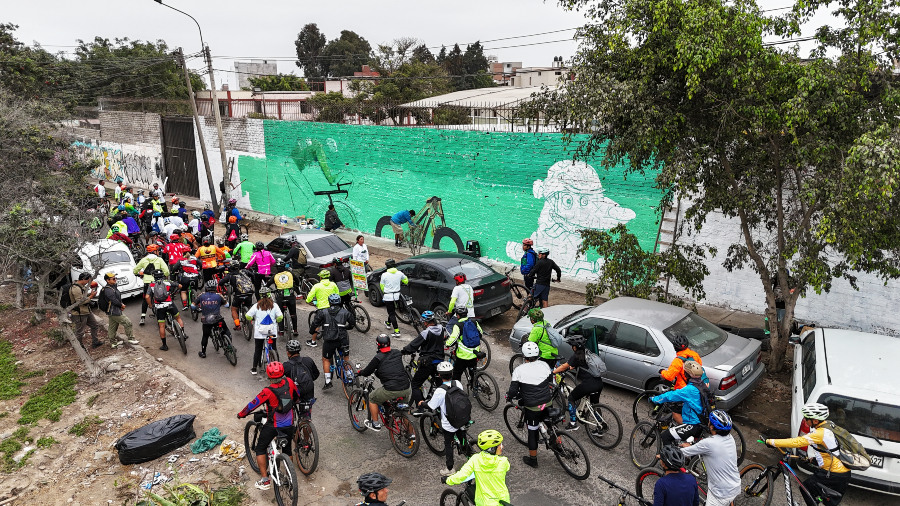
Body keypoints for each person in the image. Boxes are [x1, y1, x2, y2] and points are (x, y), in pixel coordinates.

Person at [765, 403, 851, 505]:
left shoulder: (819, 433)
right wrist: (813, 460)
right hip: (844, 473)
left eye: (806, 418)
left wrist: (771, 442)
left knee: (805, 488)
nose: (805, 421)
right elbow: (830, 450)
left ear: (815, 421)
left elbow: (795, 442)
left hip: (832, 473)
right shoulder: (829, 425)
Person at [237, 362, 300, 491]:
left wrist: (241, 414)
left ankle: (265, 480)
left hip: (273, 426)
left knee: (260, 448)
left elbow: (252, 405)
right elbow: (297, 396)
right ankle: (290, 476)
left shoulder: (268, 391)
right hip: (289, 425)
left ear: (268, 376)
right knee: (287, 450)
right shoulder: (289, 382)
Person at [506, 341, 552, 468]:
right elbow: (549, 381)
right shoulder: (545, 365)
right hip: (547, 402)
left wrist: (509, 396)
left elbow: (513, 391)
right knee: (552, 425)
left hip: (532, 407)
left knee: (532, 433)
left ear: (524, 355)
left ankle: (533, 460)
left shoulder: (519, 370)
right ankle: (557, 442)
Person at [681, 410, 740, 506]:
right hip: (735, 486)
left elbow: (684, 452)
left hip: (720, 495)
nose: (708, 423)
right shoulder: (730, 438)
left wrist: (664, 454)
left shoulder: (709, 443)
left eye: (709, 421)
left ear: (712, 427)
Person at [552, 334, 606, 432]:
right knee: (595, 405)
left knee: (571, 398)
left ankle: (573, 423)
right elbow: (577, 366)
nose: (572, 348)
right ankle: (601, 425)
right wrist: (569, 367)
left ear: (575, 346)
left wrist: (553, 372)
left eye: (572, 346)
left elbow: (564, 366)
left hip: (588, 385)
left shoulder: (576, 356)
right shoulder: (588, 352)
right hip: (598, 383)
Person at [357, 334, 411, 431]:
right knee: (404, 412)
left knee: (372, 397)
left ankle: (375, 423)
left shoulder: (378, 357)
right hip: (406, 388)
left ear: (378, 344)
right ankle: (411, 434)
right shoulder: (397, 353)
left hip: (392, 389)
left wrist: (359, 372)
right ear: (389, 343)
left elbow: (367, 372)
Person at [443, 430, 511, 506]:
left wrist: (448, 480)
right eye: (500, 445)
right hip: (502, 501)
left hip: (484, 502)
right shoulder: (504, 462)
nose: (502, 446)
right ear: (492, 449)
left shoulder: (476, 459)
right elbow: (505, 468)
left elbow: (462, 475)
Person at [421, 361, 464, 475]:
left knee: (448, 444)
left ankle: (450, 469)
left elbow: (431, 406)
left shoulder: (440, 391)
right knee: (462, 435)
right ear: (452, 373)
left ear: (439, 375)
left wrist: (422, 403)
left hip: (449, 423)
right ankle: (465, 449)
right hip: (462, 417)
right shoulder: (458, 383)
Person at [651, 360, 706, 445]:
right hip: (702, 422)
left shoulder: (690, 389)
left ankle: (669, 458)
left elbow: (671, 395)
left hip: (693, 424)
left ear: (687, 374)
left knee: (665, 436)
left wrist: (655, 399)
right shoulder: (702, 385)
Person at [405, 311, 448, 413]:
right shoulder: (441, 328)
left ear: (425, 322)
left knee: (415, 384)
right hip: (440, 363)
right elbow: (446, 337)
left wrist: (403, 351)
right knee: (440, 386)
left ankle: (420, 408)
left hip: (428, 363)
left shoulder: (426, 332)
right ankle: (442, 407)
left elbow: (414, 345)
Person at [310, 293, 354, 390]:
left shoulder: (322, 312)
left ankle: (328, 381)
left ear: (329, 302)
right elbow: (352, 323)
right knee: (346, 357)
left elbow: (315, 323)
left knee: (326, 359)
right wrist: (347, 327)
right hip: (342, 339)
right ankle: (349, 375)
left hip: (329, 340)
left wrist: (312, 331)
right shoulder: (345, 312)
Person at [245, 286, 284, 375]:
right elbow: (280, 317)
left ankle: (254, 368)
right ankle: (277, 364)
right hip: (271, 331)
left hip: (260, 332)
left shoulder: (256, 306)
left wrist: (252, 318)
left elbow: (247, 316)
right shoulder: (275, 305)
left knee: (258, 349)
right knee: (274, 347)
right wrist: (276, 321)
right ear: (270, 295)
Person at [192, 279, 231, 359]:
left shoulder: (202, 295)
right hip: (217, 319)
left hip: (206, 320)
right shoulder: (219, 295)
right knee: (226, 330)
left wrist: (197, 309)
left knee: (205, 335)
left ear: (206, 288)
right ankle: (230, 346)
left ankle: (203, 352)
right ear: (216, 287)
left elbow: (192, 305)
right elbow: (227, 305)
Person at [148, 270, 185, 351]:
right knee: (178, 318)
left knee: (161, 326)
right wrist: (173, 293)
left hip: (159, 307)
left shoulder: (151, 285)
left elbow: (147, 296)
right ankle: (183, 334)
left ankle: (164, 345)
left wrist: (151, 305)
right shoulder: (167, 282)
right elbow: (180, 286)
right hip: (169, 304)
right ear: (162, 275)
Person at [445, 306, 485, 382]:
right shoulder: (474, 322)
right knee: (473, 372)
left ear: (458, 315)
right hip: (474, 353)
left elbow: (453, 340)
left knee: (456, 375)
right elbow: (480, 333)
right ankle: (475, 387)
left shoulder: (458, 325)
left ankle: (457, 391)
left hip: (463, 356)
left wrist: (447, 343)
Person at [99, 273, 138, 348]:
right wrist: (121, 305)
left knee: (112, 327)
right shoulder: (108, 290)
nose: (115, 279)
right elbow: (113, 300)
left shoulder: (113, 287)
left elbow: (117, 299)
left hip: (114, 311)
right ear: (107, 280)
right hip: (113, 311)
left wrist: (121, 304)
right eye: (113, 279)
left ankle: (113, 343)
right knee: (127, 323)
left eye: (115, 278)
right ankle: (130, 338)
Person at [133, 244, 169, 326]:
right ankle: (164, 315)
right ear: (154, 251)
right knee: (162, 297)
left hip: (147, 283)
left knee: (145, 299)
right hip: (158, 283)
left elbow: (135, 270)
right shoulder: (159, 260)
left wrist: (139, 274)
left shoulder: (143, 260)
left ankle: (142, 317)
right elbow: (167, 271)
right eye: (158, 250)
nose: (159, 251)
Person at [305, 269, 339, 348]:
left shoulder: (317, 286)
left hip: (321, 309)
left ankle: (313, 342)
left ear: (320, 277)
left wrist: (307, 301)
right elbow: (337, 294)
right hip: (333, 307)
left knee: (316, 324)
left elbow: (309, 297)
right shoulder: (333, 284)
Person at [68, 273, 103, 349]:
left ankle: (95, 342)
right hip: (79, 313)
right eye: (88, 280)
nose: (88, 282)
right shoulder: (75, 288)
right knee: (80, 332)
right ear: (83, 279)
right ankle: (79, 347)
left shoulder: (81, 286)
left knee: (94, 325)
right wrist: (91, 297)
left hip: (86, 311)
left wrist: (90, 294)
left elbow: (83, 296)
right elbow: (80, 301)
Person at [221, 263, 255, 330]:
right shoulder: (245, 271)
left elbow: (221, 282)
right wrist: (253, 282)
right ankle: (250, 321)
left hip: (238, 295)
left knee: (234, 309)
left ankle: (237, 325)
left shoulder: (230, 275)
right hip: (249, 294)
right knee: (249, 307)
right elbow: (252, 275)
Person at [379, 258, 408, 337]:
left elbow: (382, 286)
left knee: (391, 313)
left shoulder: (384, 275)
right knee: (392, 311)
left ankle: (397, 331)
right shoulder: (399, 273)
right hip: (397, 296)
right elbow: (406, 281)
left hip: (388, 297)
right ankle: (388, 323)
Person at [270, 261, 298, 338]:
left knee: (280, 314)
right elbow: (297, 280)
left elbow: (267, 284)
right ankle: (295, 330)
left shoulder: (275, 276)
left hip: (280, 297)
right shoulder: (290, 273)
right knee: (293, 314)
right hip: (291, 296)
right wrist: (296, 286)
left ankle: (281, 331)